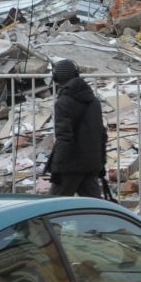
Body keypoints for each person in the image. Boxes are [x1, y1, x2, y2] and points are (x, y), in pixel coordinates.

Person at [45, 59, 107, 198]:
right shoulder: (94, 102)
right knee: (96, 210)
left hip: (70, 166)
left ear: (56, 78)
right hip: (91, 164)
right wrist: (101, 163)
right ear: (77, 74)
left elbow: (64, 137)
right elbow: (101, 134)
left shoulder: (63, 102)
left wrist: (57, 169)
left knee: (51, 210)